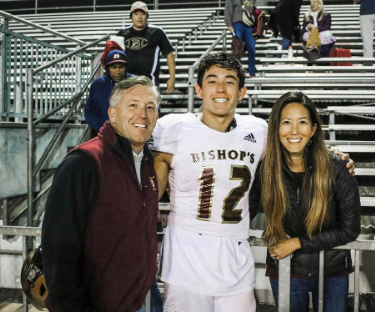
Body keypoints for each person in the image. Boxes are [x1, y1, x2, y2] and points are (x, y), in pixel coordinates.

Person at [151, 52, 355, 312]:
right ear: (199, 89)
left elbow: (295, 144)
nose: (221, 89)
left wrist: (333, 156)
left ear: (242, 91)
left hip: (236, 253)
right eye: (212, 81)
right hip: (187, 256)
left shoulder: (257, 130)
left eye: (230, 81)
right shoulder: (171, 129)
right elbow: (151, 187)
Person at [42, 76, 160, 312]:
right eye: (133, 105)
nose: (143, 114)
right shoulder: (84, 162)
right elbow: (59, 249)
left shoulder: (147, 162)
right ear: (113, 114)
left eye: (150, 107)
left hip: (139, 299)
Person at [260, 91, 361, 312]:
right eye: (286, 122)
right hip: (286, 269)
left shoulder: (336, 167)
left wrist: (297, 243)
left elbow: (350, 230)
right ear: (275, 128)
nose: (294, 131)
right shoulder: (265, 169)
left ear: (313, 129)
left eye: (302, 122)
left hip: (332, 271)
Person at [117, 1, 176, 93]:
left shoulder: (157, 32)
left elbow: (169, 54)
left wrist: (172, 78)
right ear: (131, 17)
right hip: (127, 82)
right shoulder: (122, 33)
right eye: (136, 14)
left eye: (143, 14)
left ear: (147, 16)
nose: (139, 17)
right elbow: (115, 56)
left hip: (149, 82)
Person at [84, 49, 130, 136]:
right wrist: (103, 126)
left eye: (121, 67)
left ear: (126, 67)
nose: (118, 71)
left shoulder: (135, 83)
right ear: (107, 68)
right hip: (104, 134)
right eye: (114, 67)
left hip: (129, 135)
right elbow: (90, 112)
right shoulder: (98, 85)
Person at [225, 0, 257, 77]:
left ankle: (252, 72)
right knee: (237, 49)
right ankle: (237, 72)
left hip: (249, 24)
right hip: (237, 23)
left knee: (251, 48)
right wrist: (229, 24)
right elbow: (227, 10)